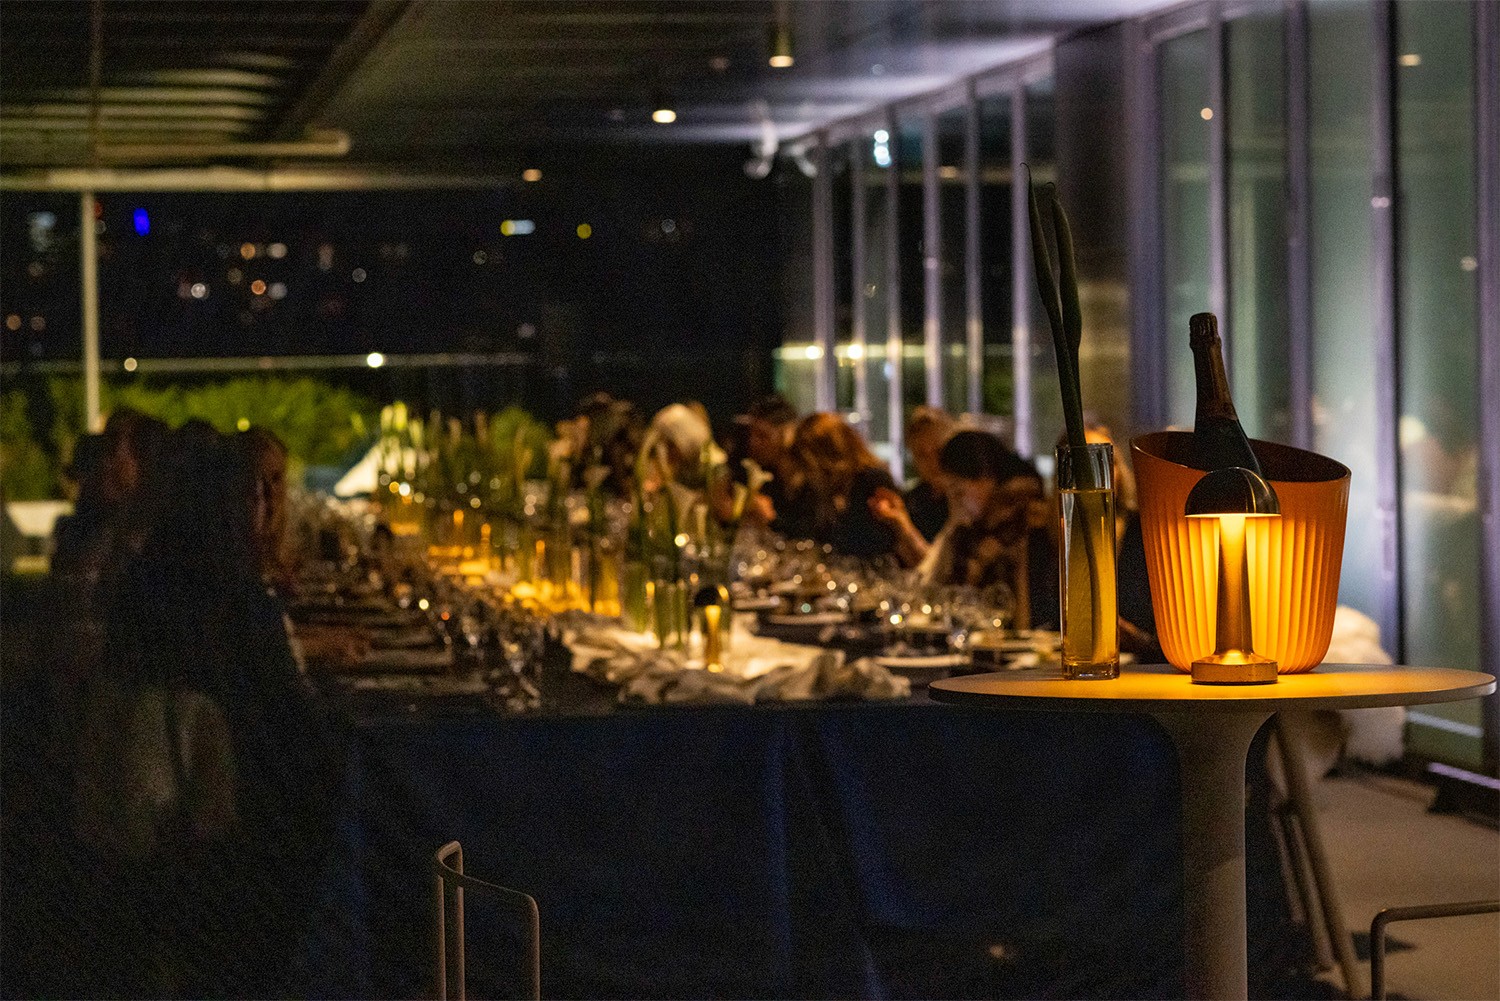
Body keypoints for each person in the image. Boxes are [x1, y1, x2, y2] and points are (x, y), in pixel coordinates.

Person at [74, 430, 347, 997]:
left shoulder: (148, 585)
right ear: (230, 507)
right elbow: (296, 728)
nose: (266, 506)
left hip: (125, 828)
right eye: (254, 493)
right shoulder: (235, 601)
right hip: (213, 847)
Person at [871, 429, 1058, 628]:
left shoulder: (1024, 524)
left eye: (959, 491)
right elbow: (929, 586)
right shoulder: (971, 527)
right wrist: (951, 527)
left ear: (986, 478)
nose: (955, 502)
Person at [777, 412, 899, 559]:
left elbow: (880, 543)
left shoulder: (872, 481)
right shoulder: (821, 489)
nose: (808, 471)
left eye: (808, 462)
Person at [903, 406, 956, 542]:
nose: (932, 462)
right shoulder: (911, 503)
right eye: (921, 455)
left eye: (939, 451)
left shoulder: (968, 501)